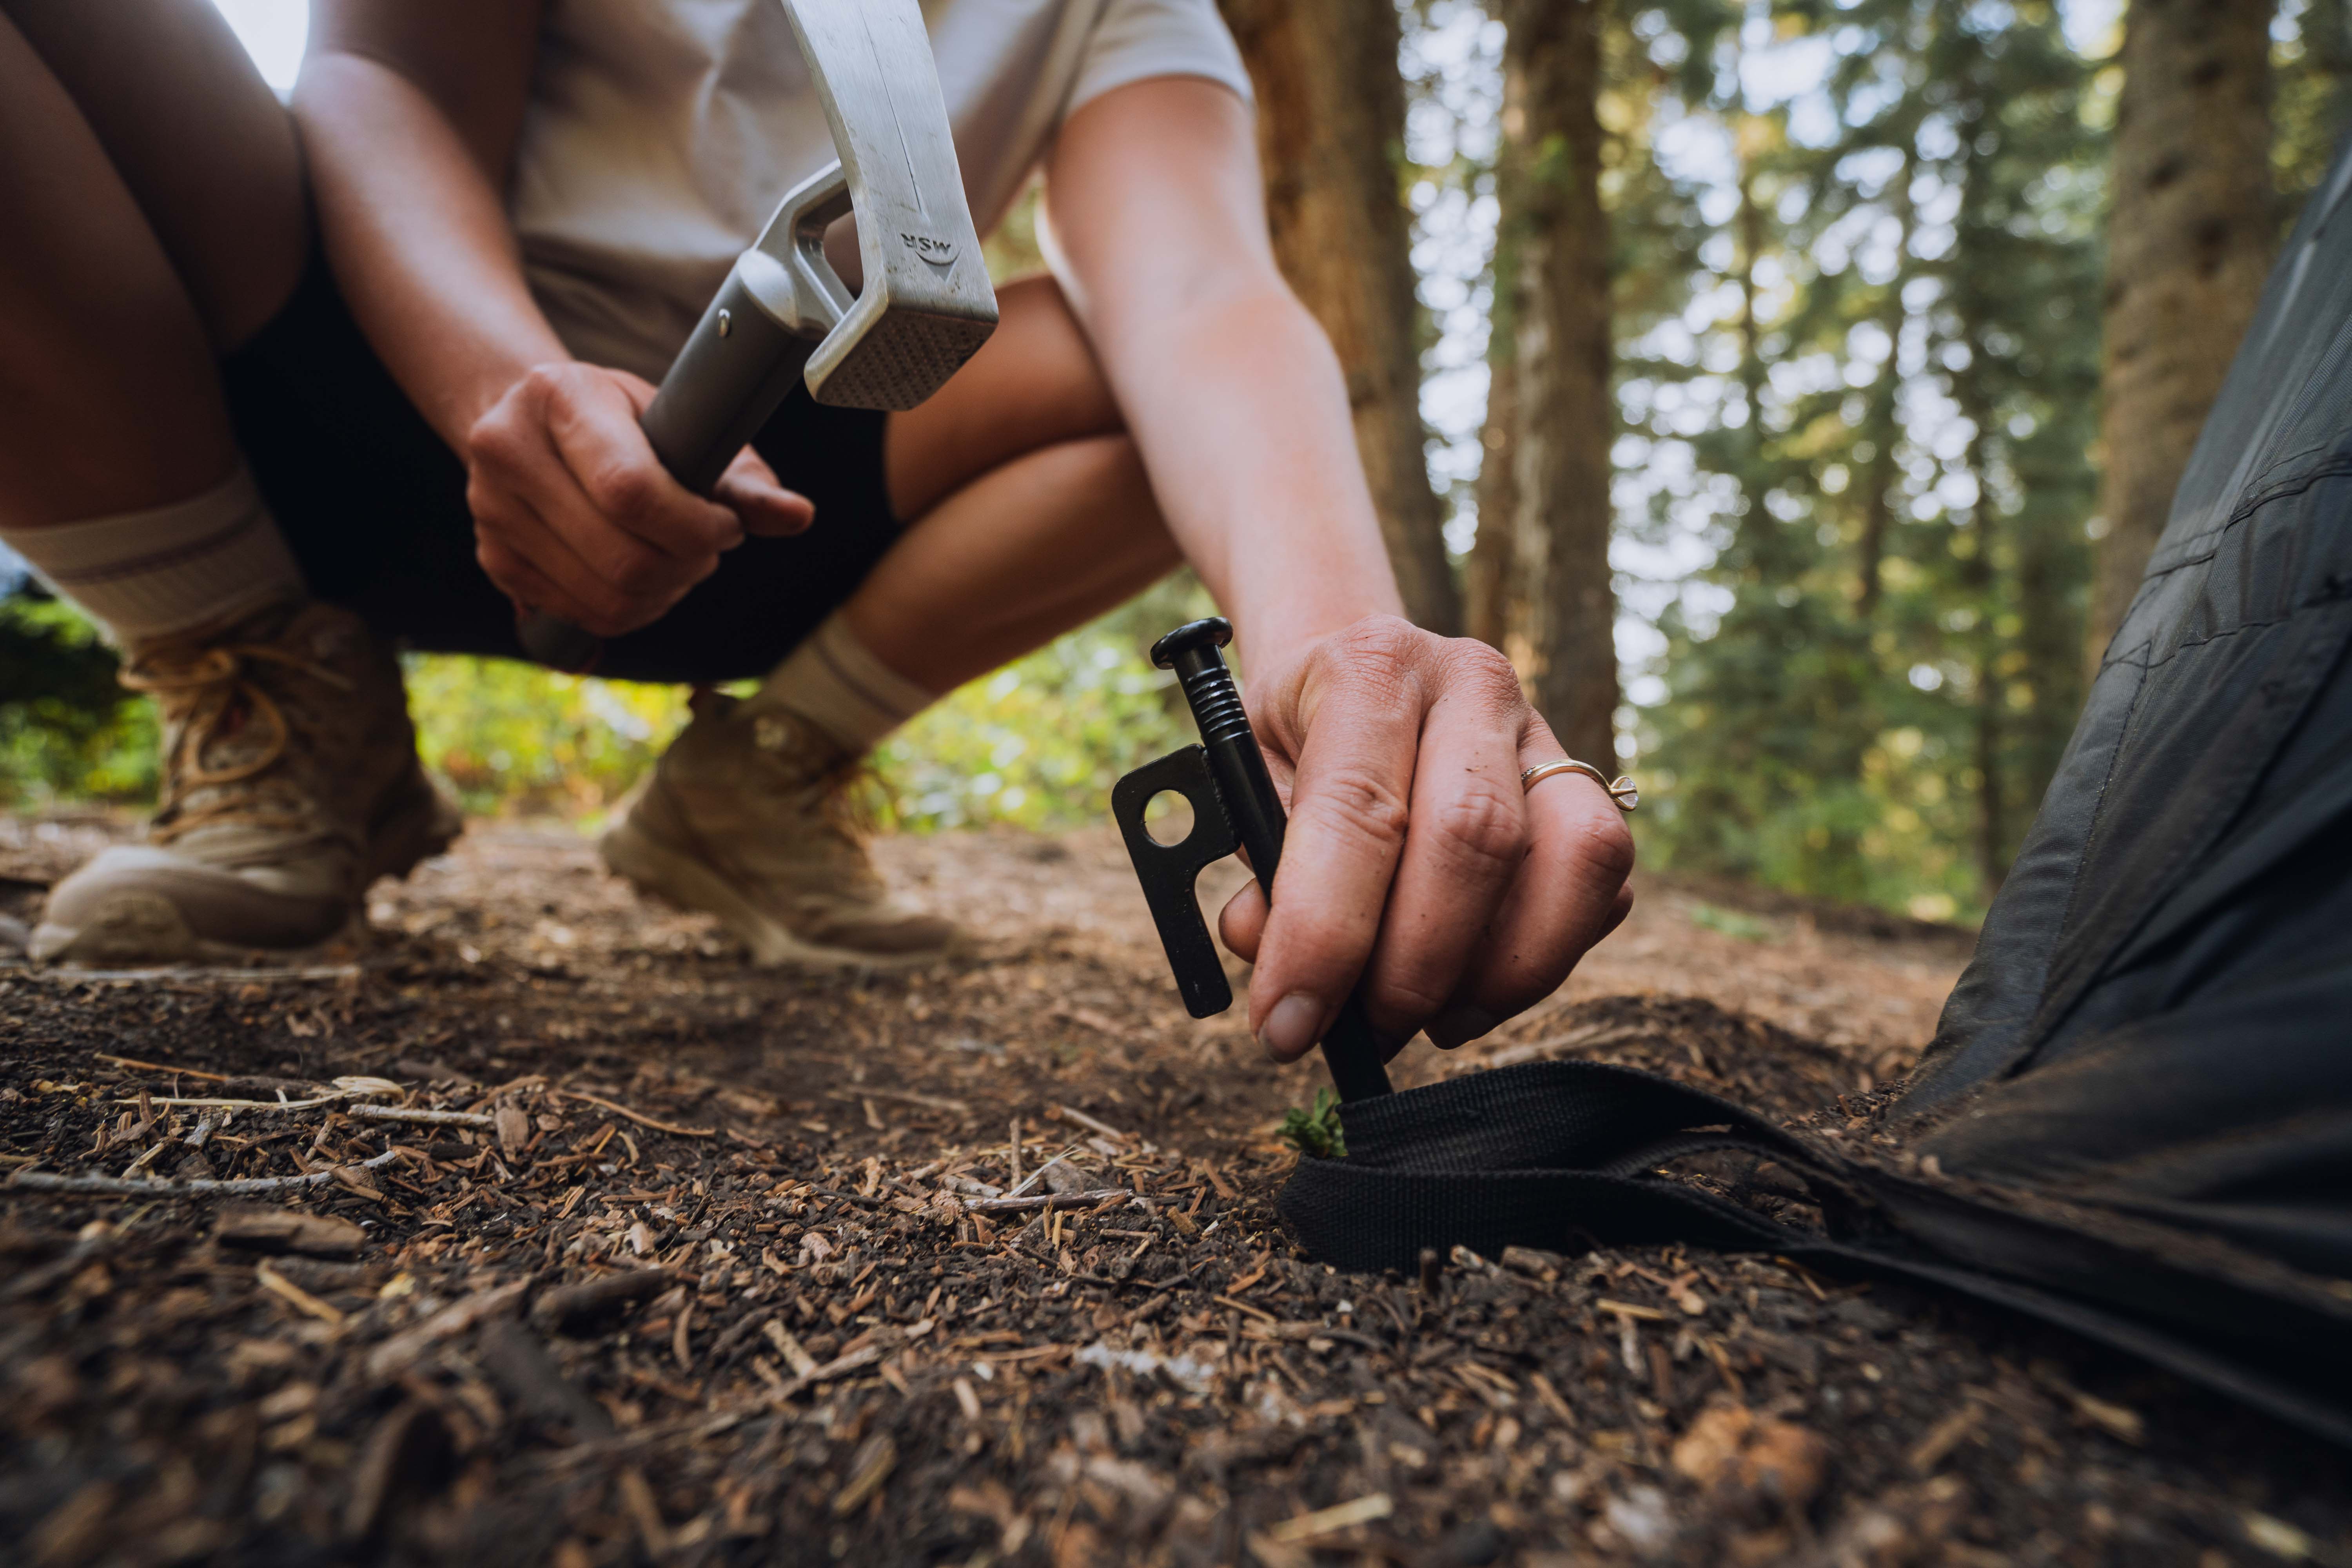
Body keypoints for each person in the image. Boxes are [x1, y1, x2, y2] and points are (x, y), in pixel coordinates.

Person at [0, 0, 1633, 1065]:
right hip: (358, 370)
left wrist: (1341, 644)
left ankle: (758, 779)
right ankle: (267, 682)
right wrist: (505, 380)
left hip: (777, 503)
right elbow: (380, 79)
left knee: (1150, 371)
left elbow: (1201, 291)